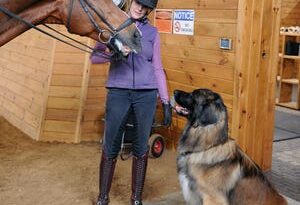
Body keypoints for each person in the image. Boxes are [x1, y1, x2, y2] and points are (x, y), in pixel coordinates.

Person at [90, 0, 172, 204]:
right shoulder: (112, 24)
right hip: (118, 92)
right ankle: (103, 198)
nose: (140, 8)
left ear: (149, 10)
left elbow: (158, 68)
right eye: (138, 2)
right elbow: (94, 57)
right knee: (111, 145)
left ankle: (136, 199)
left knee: (141, 146)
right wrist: (113, 52)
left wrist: (166, 100)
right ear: (131, 1)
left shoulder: (152, 33)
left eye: (146, 7)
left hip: (146, 95)